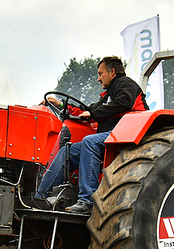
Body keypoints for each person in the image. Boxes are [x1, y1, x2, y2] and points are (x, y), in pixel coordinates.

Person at [37, 56, 148, 214]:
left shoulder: (126, 85)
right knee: (67, 151)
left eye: (101, 73)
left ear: (112, 72)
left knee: (90, 142)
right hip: (111, 137)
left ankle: (87, 201)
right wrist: (60, 104)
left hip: (129, 136)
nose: (98, 78)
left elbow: (123, 103)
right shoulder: (108, 95)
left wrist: (93, 112)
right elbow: (86, 110)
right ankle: (39, 198)